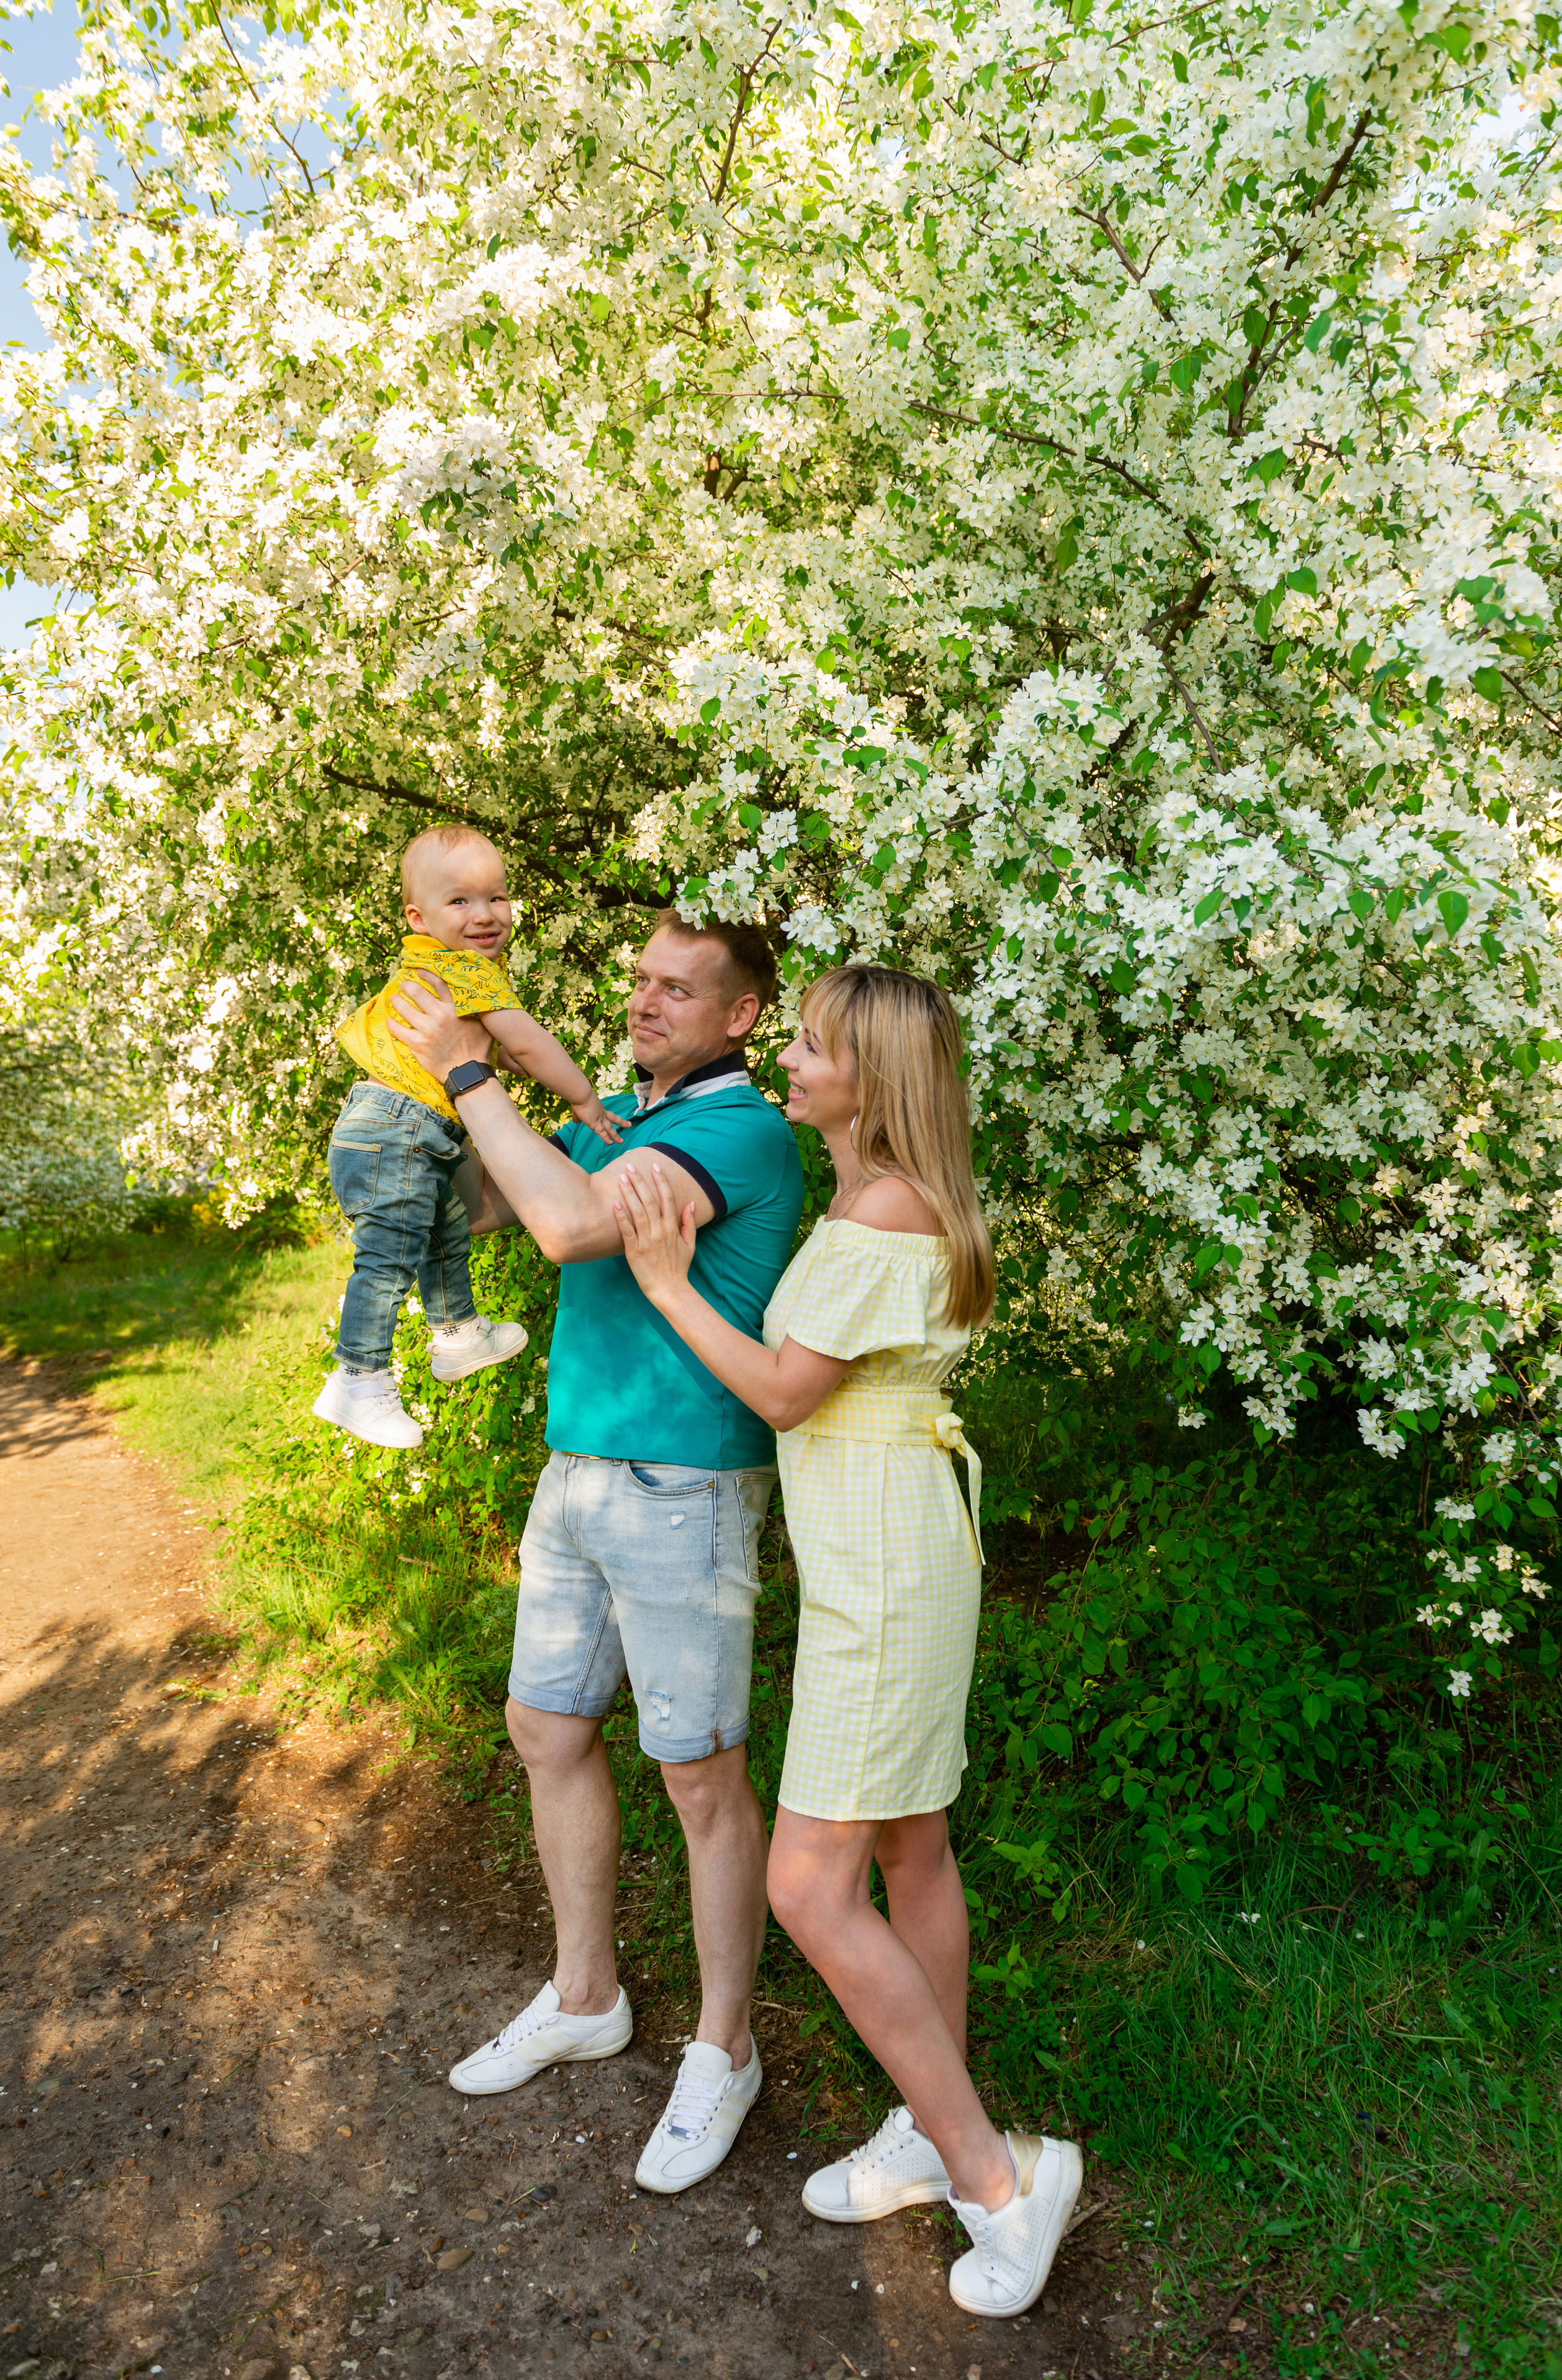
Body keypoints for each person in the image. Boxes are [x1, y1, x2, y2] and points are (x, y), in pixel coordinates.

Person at [609, 964, 1084, 2320]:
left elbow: (777, 1391)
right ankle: (936, 2137)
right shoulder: (889, 1202)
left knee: (811, 1888)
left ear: (871, 1082)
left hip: (881, 1574)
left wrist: (663, 1278)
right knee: (909, 1843)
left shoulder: (878, 1214)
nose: (793, 1063)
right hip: (902, 1547)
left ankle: (997, 2180)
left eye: (812, 1048)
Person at [385, 911, 805, 2194]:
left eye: (679, 990)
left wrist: (474, 1072)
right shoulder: (619, 1109)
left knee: (700, 1776)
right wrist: (421, 1098)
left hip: (689, 1483)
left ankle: (722, 2050)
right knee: (545, 1731)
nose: (645, 1003)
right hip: (577, 1468)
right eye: (639, 981)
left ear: (738, 1018)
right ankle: (584, 1994)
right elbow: (496, 1209)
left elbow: (572, 1228)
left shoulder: (740, 1129)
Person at [316, 824, 625, 1452]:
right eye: (460, 902)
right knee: (388, 1257)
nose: (485, 915)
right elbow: (528, 1043)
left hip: (386, 1124)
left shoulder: (432, 964)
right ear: (419, 916)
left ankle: (455, 1332)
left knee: (442, 1226)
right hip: (400, 1127)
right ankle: (359, 1378)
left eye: (497, 897)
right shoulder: (465, 969)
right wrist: (583, 1098)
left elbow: (492, 1049)